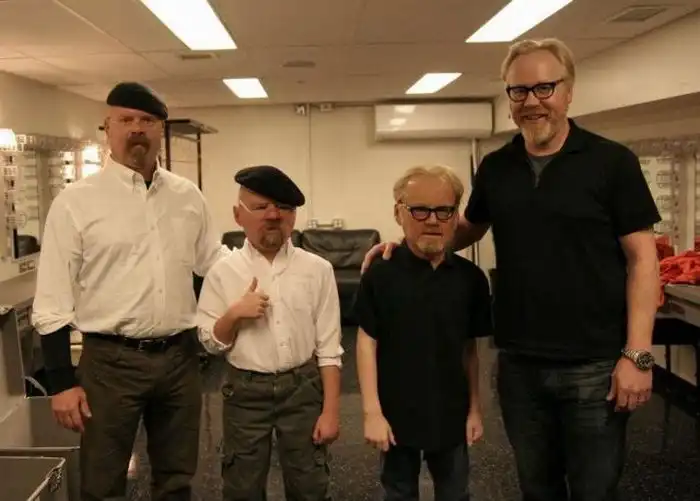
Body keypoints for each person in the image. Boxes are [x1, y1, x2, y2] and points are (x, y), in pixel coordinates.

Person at [361, 38, 661, 501]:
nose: (532, 101)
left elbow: (644, 260)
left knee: (594, 490)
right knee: (536, 488)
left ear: (569, 91)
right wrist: (407, 245)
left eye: (544, 88)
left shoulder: (612, 163)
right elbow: (466, 228)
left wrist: (637, 354)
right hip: (520, 364)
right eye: (519, 91)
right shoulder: (497, 167)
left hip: (594, 365)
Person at [32, 81, 230, 501]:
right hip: (110, 363)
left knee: (177, 479)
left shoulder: (187, 197)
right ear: (108, 128)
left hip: (179, 359)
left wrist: (273, 260)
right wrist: (61, 382)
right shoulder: (75, 202)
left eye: (147, 120)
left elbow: (214, 262)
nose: (137, 128)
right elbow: (52, 299)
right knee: (102, 482)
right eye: (126, 119)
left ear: (160, 129)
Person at [196, 165, 343, 501]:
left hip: (303, 389)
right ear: (238, 215)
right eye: (261, 207)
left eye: (284, 208)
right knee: (242, 486)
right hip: (245, 392)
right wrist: (235, 314)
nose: (274, 216)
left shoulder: (318, 270)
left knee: (309, 486)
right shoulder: (223, 272)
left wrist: (331, 411)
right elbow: (210, 343)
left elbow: (329, 348)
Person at [355, 165, 490, 501]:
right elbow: (366, 343)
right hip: (396, 414)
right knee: (399, 493)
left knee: (455, 493)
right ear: (398, 213)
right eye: (419, 210)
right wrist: (372, 412)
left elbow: (470, 351)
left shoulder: (471, 279)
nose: (432, 220)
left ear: (455, 215)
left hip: (452, 414)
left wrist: (475, 409)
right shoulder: (380, 275)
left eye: (444, 210)